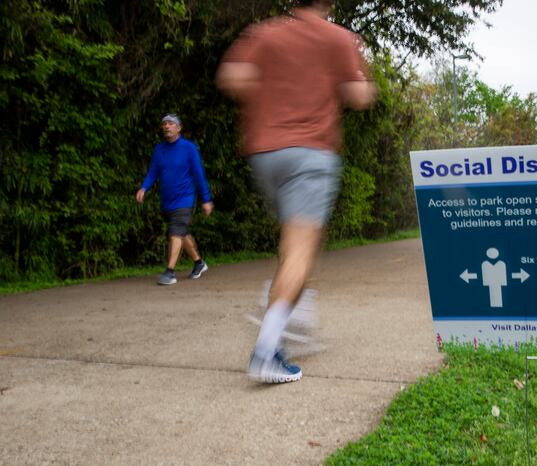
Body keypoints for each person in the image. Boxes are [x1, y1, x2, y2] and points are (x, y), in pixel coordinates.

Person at [216, 0, 376, 384]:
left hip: (266, 155)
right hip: (310, 155)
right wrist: (356, 78)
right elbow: (360, 96)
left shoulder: (267, 33)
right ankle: (267, 348)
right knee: (300, 252)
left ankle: (290, 314)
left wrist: (274, 91)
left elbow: (232, 77)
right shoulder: (338, 38)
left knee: (296, 248)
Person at [136, 114, 214, 285]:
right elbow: (153, 172)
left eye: (171, 123)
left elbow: (198, 174)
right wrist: (144, 187)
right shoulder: (159, 150)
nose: (167, 126)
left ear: (179, 128)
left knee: (175, 232)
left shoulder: (189, 148)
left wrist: (206, 199)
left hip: (185, 199)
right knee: (181, 233)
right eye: (164, 124)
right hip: (167, 201)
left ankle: (170, 272)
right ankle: (199, 263)